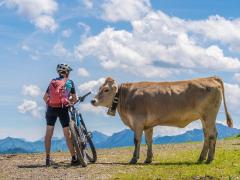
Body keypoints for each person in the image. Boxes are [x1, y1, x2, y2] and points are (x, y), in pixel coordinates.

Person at [43, 64, 79, 166]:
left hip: (51, 109)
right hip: (63, 109)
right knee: (67, 134)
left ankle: (47, 158)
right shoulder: (69, 82)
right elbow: (75, 99)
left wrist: (51, 105)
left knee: (48, 134)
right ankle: (74, 158)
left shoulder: (52, 82)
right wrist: (68, 101)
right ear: (67, 72)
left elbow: (45, 98)